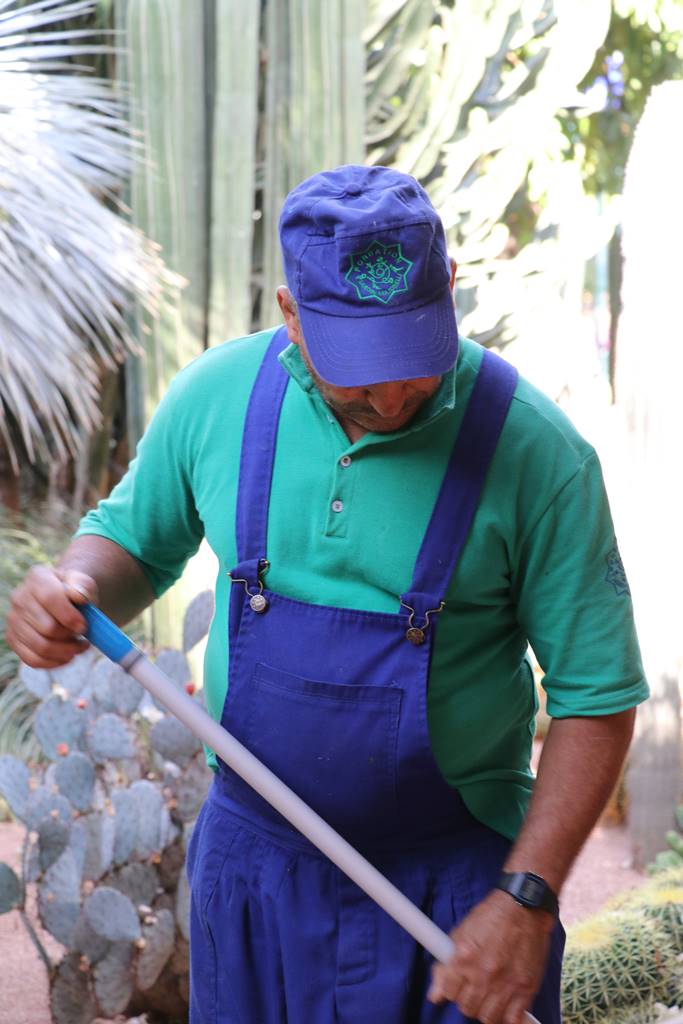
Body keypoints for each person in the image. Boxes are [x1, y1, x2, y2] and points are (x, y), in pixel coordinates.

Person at [7, 165, 648, 1024]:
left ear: (449, 290)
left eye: (411, 355)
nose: (390, 393)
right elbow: (130, 541)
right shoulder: (217, 397)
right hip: (254, 873)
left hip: (453, 885)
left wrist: (524, 899)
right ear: (290, 314)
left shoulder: (539, 457)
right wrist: (77, 587)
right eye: (359, 365)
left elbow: (596, 700)